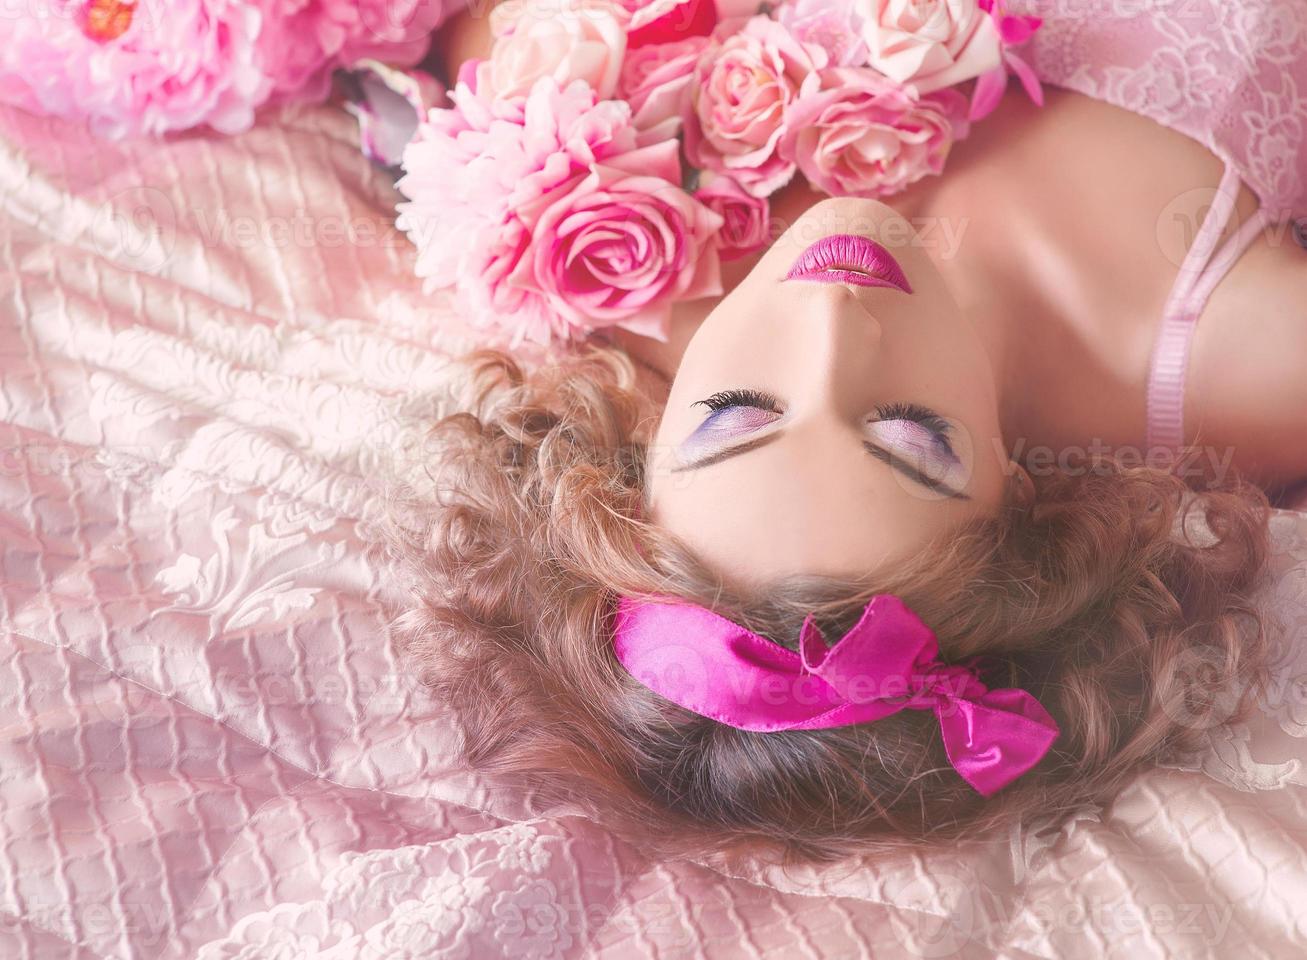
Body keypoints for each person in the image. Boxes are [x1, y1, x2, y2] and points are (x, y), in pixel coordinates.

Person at [392, 0, 1306, 862]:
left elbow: (486, 33)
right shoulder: (1239, 368)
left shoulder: (599, 236)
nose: (835, 322)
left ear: (642, 453)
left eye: (738, 414)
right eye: (913, 437)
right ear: (1019, 504)